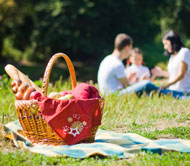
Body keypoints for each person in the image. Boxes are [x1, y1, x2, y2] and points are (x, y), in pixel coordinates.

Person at [151, 30, 190, 98]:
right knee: (151, 91)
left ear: (173, 42)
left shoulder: (184, 52)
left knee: (152, 90)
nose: (165, 47)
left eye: (166, 44)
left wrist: (166, 86)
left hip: (182, 91)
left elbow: (181, 75)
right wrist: (160, 73)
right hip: (172, 89)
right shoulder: (172, 56)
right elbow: (173, 75)